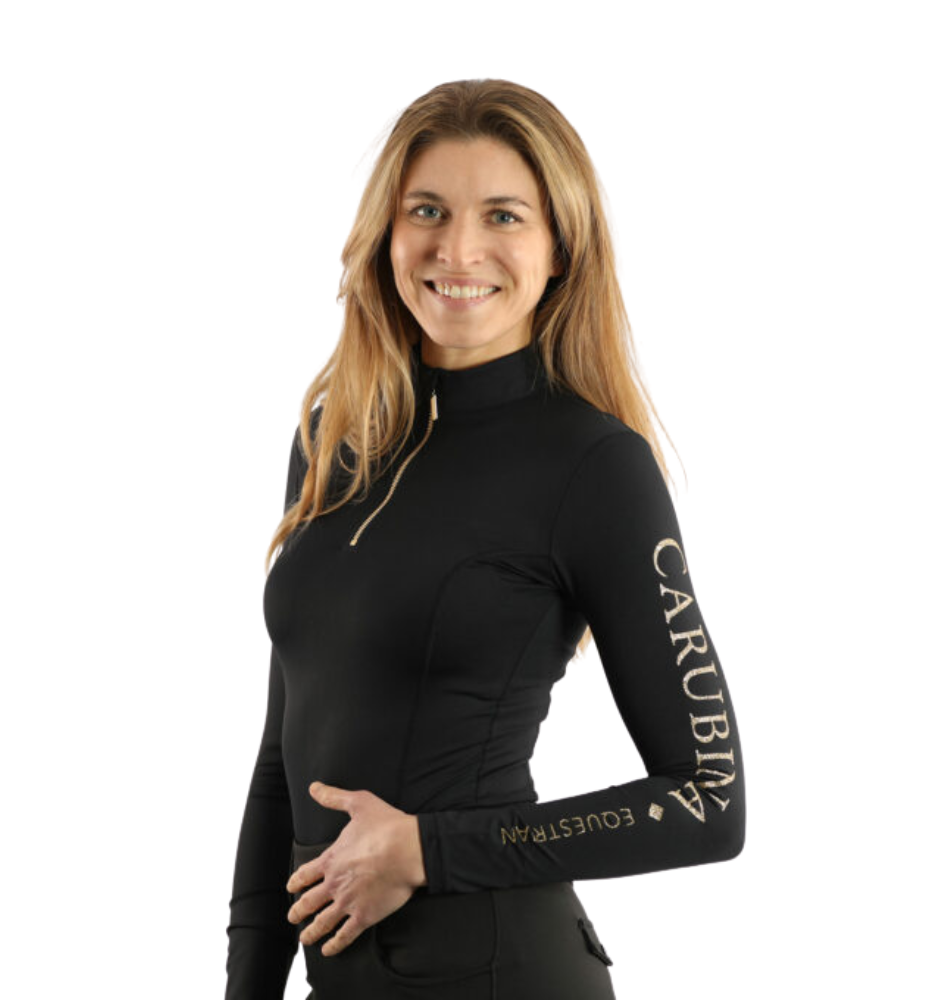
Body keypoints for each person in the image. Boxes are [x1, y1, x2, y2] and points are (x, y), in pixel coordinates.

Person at [224, 78, 745, 1000]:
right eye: (427, 210)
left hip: (507, 974)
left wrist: (429, 848)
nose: (457, 250)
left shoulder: (595, 466)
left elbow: (709, 799)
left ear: (560, 248)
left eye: (503, 215)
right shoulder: (331, 438)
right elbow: (281, 762)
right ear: (386, 233)